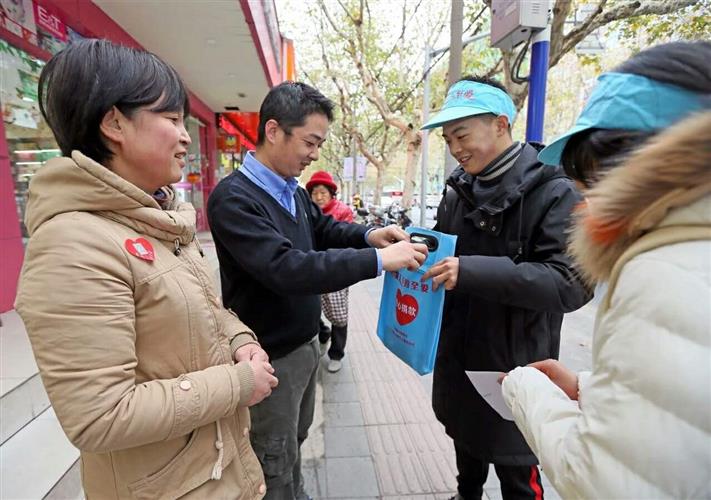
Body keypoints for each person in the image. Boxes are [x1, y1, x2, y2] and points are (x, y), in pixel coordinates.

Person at [14, 39, 278, 499]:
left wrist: (240, 340)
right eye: (171, 119)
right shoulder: (73, 245)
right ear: (114, 123)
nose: (185, 136)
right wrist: (238, 384)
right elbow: (101, 416)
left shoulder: (159, 221)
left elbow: (203, 311)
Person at [501, 41, 711, 499]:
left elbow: (600, 481)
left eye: (591, 184)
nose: (585, 204)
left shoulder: (660, 271)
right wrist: (591, 389)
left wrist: (525, 389)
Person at [207, 81, 428, 500]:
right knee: (271, 455)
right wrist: (379, 261)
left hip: (306, 344)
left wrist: (369, 236)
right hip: (268, 358)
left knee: (295, 439)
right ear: (274, 131)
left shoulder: (292, 190)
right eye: (309, 142)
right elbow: (286, 268)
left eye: (319, 144)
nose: (313, 154)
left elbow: (323, 229)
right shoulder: (234, 199)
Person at [419, 76, 591, 500]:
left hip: (516, 363)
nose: (456, 148)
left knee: (517, 469)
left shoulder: (555, 191)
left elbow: (570, 283)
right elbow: (444, 248)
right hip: (458, 356)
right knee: (465, 442)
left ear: (500, 124)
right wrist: (417, 248)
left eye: (462, 135)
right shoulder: (458, 189)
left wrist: (471, 271)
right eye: (448, 139)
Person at [306, 170, 353, 373]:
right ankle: (323, 333)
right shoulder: (306, 212)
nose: (318, 197)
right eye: (314, 193)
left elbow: (347, 239)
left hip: (336, 270)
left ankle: (336, 353)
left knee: (338, 314)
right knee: (309, 308)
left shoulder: (343, 211)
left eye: (322, 192)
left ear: (331, 193)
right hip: (311, 269)